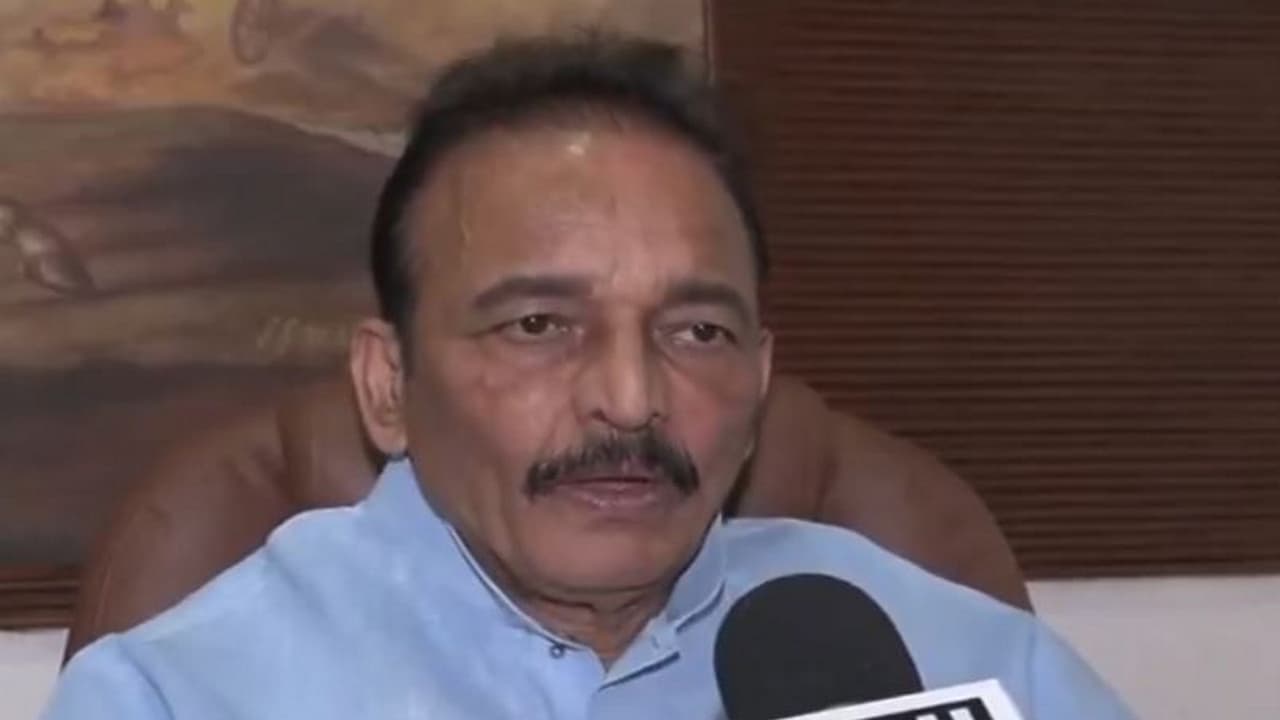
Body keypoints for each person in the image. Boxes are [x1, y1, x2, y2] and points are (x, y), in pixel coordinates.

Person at [43, 35, 1135, 719]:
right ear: (387, 385)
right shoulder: (179, 697)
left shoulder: (955, 655)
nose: (630, 398)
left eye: (696, 332)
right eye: (537, 325)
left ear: (759, 382)